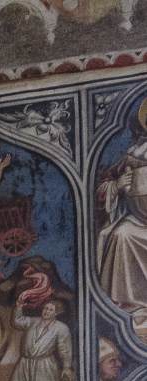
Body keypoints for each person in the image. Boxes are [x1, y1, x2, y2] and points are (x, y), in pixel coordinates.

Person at [98, 101, 147, 310]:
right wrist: (116, 186)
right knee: (120, 235)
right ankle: (128, 305)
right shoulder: (134, 154)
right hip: (138, 220)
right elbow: (102, 185)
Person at [9, 299, 73, 381]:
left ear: (57, 312)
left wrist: (66, 366)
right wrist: (19, 308)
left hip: (44, 364)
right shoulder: (33, 321)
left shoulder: (61, 328)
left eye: (50, 310)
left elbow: (65, 349)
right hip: (25, 362)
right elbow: (17, 322)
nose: (46, 311)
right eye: (45, 308)